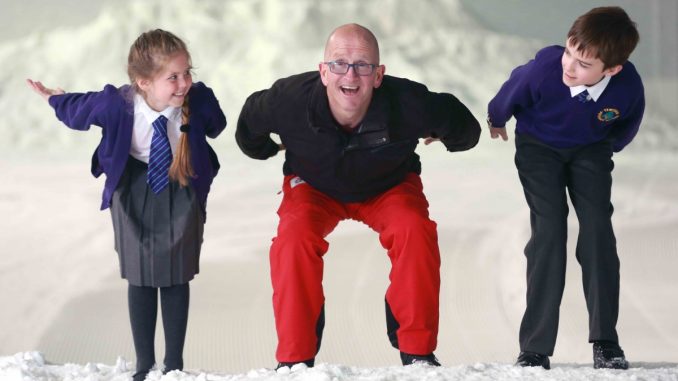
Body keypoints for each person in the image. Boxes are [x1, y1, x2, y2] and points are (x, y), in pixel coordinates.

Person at [236, 23, 480, 369]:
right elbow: (249, 125)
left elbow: (466, 130)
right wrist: (266, 150)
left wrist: (447, 136)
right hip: (315, 187)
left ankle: (417, 351)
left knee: (415, 229)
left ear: (378, 75)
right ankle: (295, 358)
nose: (350, 74)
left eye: (363, 65)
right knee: (293, 239)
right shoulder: (288, 100)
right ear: (323, 71)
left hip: (388, 186)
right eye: (338, 64)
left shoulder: (410, 104)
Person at [27, 29, 226, 381]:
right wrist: (54, 99)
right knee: (141, 274)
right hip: (133, 185)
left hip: (182, 180)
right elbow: (79, 109)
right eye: (173, 77)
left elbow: (217, 127)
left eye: (187, 72)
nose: (184, 83)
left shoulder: (195, 98)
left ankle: (174, 365)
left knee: (177, 274)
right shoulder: (117, 104)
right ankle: (144, 366)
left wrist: (200, 110)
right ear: (143, 83)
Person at [487, 6, 644, 370]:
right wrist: (497, 116)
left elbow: (628, 123)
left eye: (583, 64)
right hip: (538, 147)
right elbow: (513, 88)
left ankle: (605, 341)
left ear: (611, 69)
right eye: (570, 53)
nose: (569, 67)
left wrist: (606, 148)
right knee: (550, 230)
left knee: (598, 231)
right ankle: (536, 346)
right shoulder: (547, 67)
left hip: (590, 149)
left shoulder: (627, 85)